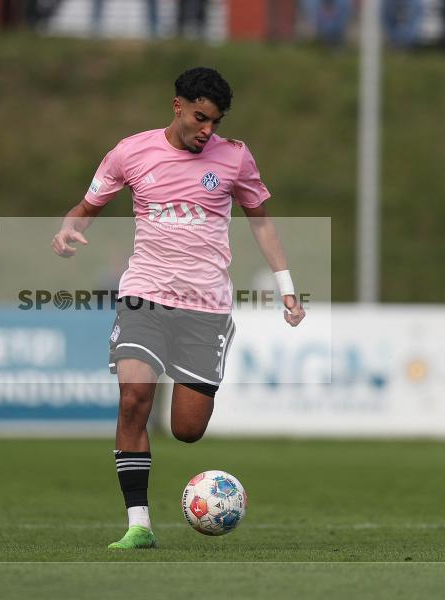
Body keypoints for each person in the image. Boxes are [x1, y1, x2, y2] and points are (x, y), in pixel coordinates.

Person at [51, 67, 306, 550]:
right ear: (178, 106)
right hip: (143, 295)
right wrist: (67, 228)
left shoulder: (234, 159)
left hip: (206, 307)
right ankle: (139, 525)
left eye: (215, 121)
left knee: (187, 430)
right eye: (200, 118)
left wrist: (285, 286)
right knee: (133, 400)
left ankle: (168, 478)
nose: (207, 129)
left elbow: (263, 225)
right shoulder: (131, 152)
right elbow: (85, 207)